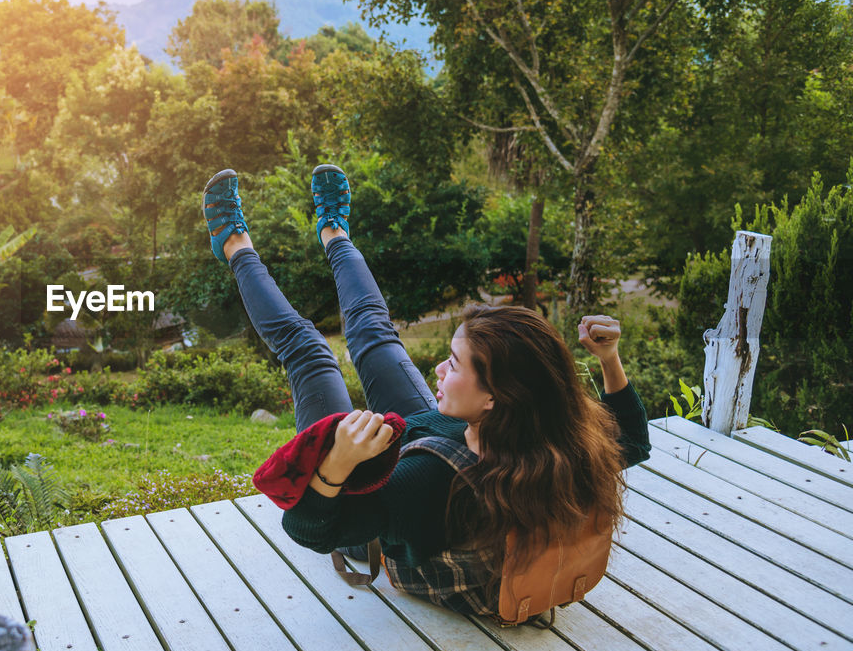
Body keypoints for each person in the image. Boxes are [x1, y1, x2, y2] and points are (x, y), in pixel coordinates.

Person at [202, 163, 650, 615]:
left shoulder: (425, 482)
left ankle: (236, 246)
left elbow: (309, 530)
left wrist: (338, 461)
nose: (437, 367)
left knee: (309, 351)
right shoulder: (561, 434)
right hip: (447, 445)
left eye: (453, 364)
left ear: (495, 398)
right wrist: (609, 359)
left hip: (383, 519)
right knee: (375, 333)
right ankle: (334, 233)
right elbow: (631, 439)